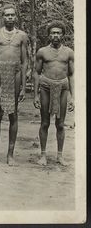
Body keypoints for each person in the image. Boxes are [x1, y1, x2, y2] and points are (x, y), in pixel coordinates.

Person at [0, 4, 28, 166]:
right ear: (2, 17)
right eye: (7, 15)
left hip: (15, 73)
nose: (10, 18)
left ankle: (10, 154)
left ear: (16, 17)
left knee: (13, 114)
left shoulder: (22, 36)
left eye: (12, 15)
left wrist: (24, 87)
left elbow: (24, 62)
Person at [33, 21, 74, 166]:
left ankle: (60, 155)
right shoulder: (42, 52)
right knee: (44, 123)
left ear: (62, 34)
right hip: (45, 87)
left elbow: (71, 75)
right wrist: (36, 95)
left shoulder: (69, 52)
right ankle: (43, 155)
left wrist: (72, 97)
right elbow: (37, 73)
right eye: (53, 33)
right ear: (49, 35)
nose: (55, 35)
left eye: (58, 32)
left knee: (60, 124)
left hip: (62, 88)